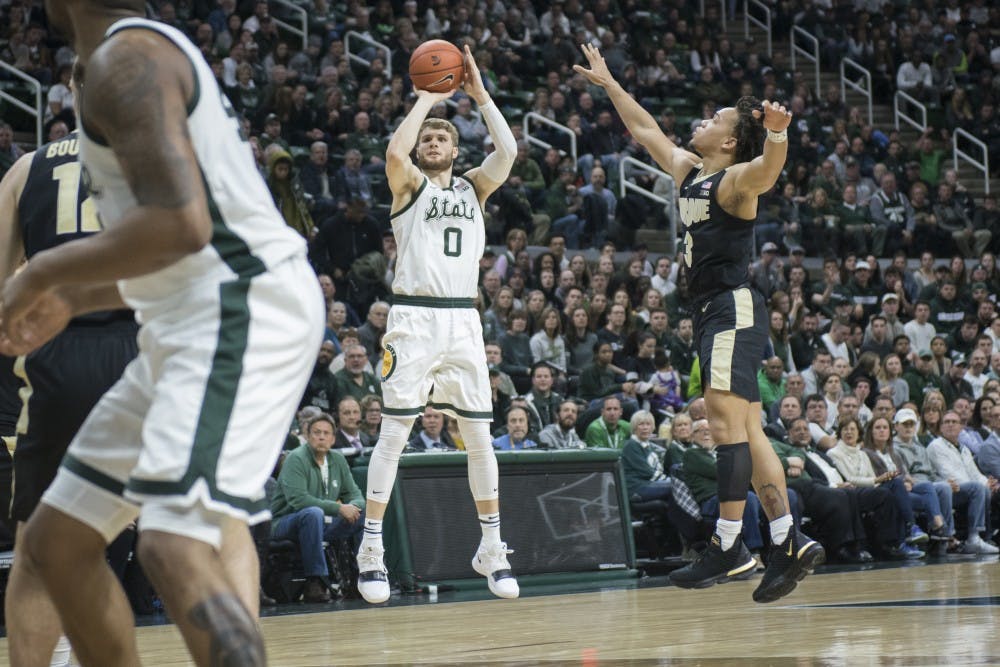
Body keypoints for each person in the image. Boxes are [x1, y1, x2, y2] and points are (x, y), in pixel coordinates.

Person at [0, 4, 324, 666]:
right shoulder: (113, 64)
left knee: (172, 542)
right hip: (186, 313)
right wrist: (75, 295)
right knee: (57, 542)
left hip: (244, 308)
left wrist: (48, 269)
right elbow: (181, 256)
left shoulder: (127, 62)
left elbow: (183, 224)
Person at [575, 44, 822, 602]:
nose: (703, 121)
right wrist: (610, 82)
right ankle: (787, 537)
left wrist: (778, 135)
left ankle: (730, 544)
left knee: (721, 421)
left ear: (731, 141)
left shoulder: (736, 182)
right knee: (751, 429)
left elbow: (768, 170)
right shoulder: (690, 171)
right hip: (719, 310)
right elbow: (645, 130)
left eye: (716, 120)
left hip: (730, 306)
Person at [354, 46, 520, 605]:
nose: (432, 143)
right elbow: (394, 150)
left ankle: (491, 548)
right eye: (429, 138)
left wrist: (479, 95)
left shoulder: (474, 188)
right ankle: (370, 548)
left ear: (456, 148)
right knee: (395, 432)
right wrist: (425, 100)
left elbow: (510, 149)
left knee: (478, 436)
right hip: (415, 316)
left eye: (442, 139)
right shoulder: (410, 189)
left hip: (464, 321)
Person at [0, 129, 139, 667]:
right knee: (185, 539)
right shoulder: (160, 156)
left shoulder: (25, 169)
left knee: (37, 546)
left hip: (57, 355)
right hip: (143, 346)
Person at [270, 413, 365, 603]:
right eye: (316, 432)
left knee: (365, 514)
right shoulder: (295, 459)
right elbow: (299, 501)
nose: (321, 437)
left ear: (333, 438)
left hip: (321, 523)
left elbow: (356, 495)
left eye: (326, 433)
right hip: (285, 522)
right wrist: (338, 509)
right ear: (307, 435)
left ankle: (361, 577)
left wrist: (353, 506)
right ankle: (316, 582)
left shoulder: (337, 460)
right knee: (313, 513)